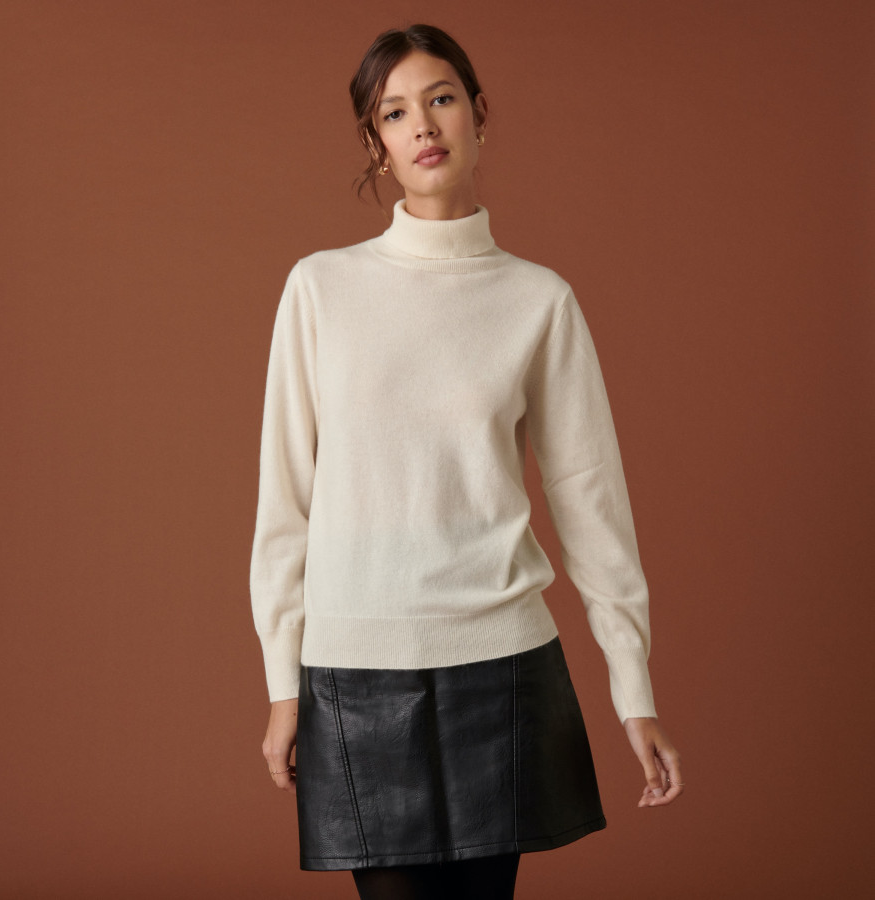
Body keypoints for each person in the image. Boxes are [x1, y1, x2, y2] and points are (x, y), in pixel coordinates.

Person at [251, 23, 684, 900]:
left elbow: (589, 500)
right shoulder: (320, 289)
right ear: (376, 143)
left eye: (441, 98)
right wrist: (283, 681)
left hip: (502, 666)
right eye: (394, 112)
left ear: (479, 113)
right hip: (354, 668)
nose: (422, 125)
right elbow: (285, 500)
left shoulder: (538, 300)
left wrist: (633, 689)